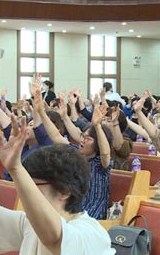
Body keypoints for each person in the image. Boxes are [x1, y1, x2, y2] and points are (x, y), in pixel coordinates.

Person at [0, 115, 115, 255]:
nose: (24, 194)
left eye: (33, 186)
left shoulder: (90, 233)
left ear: (64, 191)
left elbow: (54, 237)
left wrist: (16, 169)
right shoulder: (32, 224)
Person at [35, 82, 113, 219]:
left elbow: (106, 153)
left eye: (88, 139)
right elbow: (56, 136)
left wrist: (97, 126)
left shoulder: (101, 164)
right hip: (73, 216)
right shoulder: (76, 155)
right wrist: (41, 112)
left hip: (93, 219)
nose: (82, 140)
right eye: (83, 136)